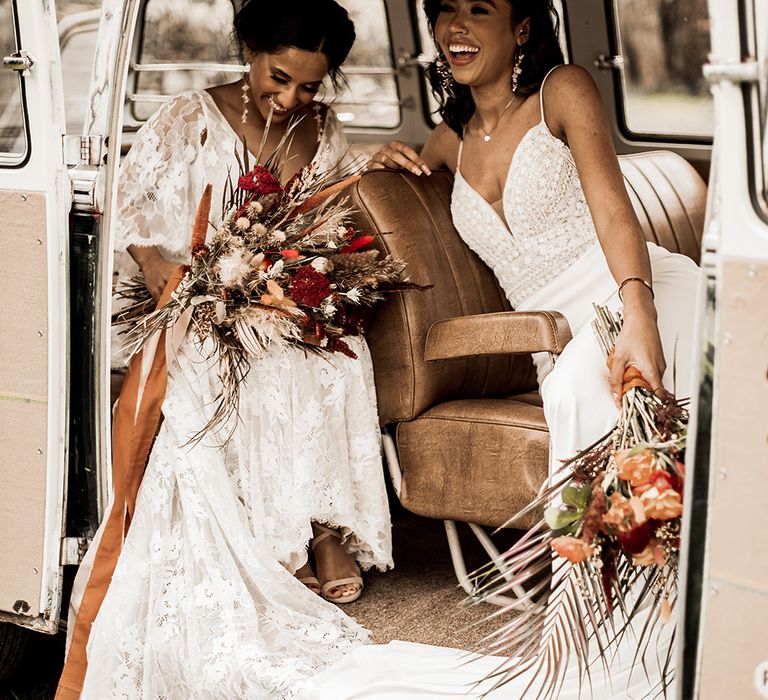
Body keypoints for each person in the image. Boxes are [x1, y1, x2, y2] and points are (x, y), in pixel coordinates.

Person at [354, 0, 700, 696]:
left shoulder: (562, 91)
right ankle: (624, 624)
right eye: (444, 10)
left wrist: (640, 313)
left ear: (520, 29)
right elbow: (406, 182)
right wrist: (379, 160)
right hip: (556, 329)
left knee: (589, 391)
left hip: (637, 289)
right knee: (577, 386)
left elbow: (612, 210)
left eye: (478, 8)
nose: (454, 27)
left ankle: (667, 607)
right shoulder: (445, 142)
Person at [57, 2, 392, 698]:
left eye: (309, 85)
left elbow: (330, 215)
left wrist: (298, 279)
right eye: (279, 77)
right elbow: (132, 214)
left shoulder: (321, 126)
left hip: (271, 297)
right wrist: (172, 275)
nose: (291, 97)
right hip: (189, 303)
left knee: (336, 351)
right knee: (249, 368)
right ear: (249, 50)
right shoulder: (188, 115)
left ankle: (320, 528)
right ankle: (277, 545)